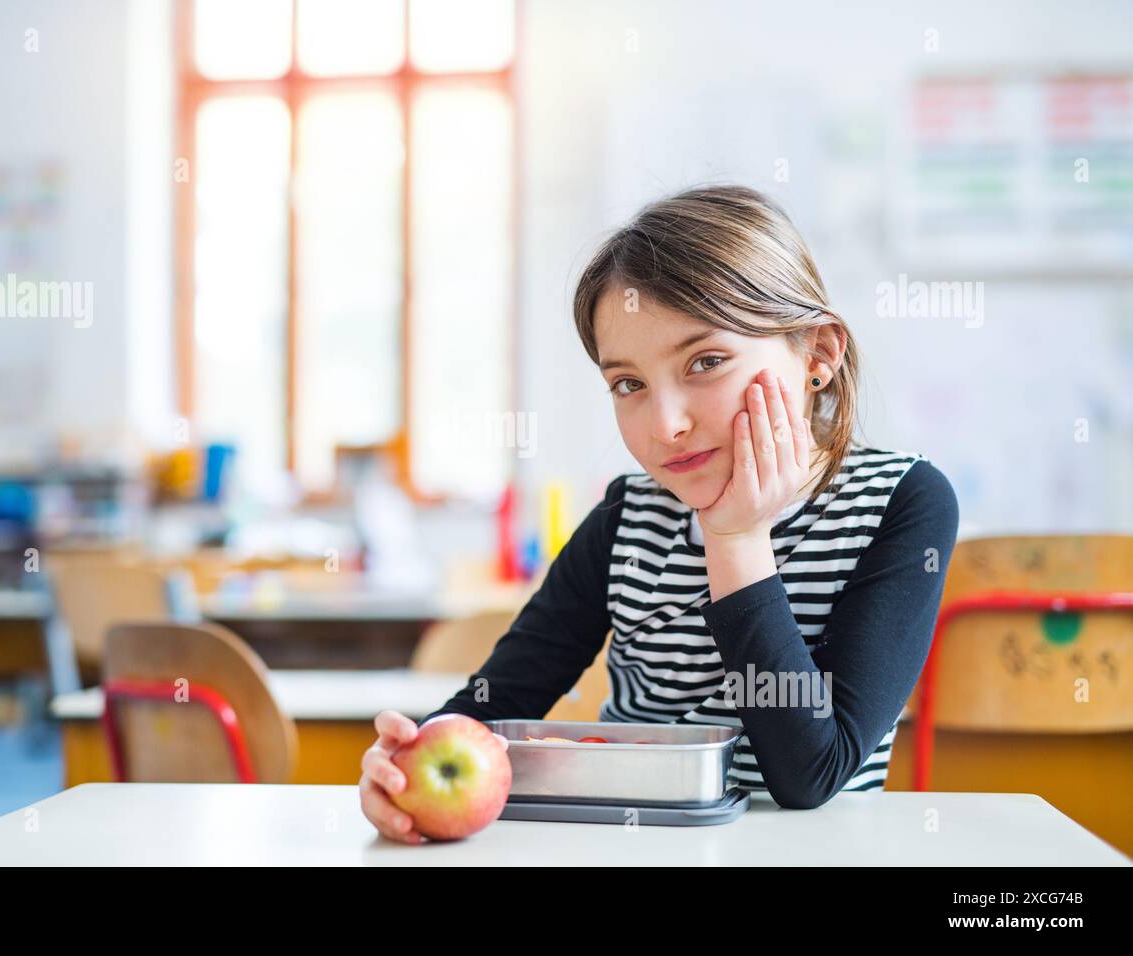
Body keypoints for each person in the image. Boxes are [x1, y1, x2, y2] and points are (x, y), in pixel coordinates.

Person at [359, 184, 959, 843]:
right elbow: (494, 706)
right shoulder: (627, 517)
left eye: (706, 362)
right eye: (629, 384)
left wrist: (735, 538)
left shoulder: (903, 503)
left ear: (817, 354)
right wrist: (403, 763)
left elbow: (810, 774)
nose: (666, 424)